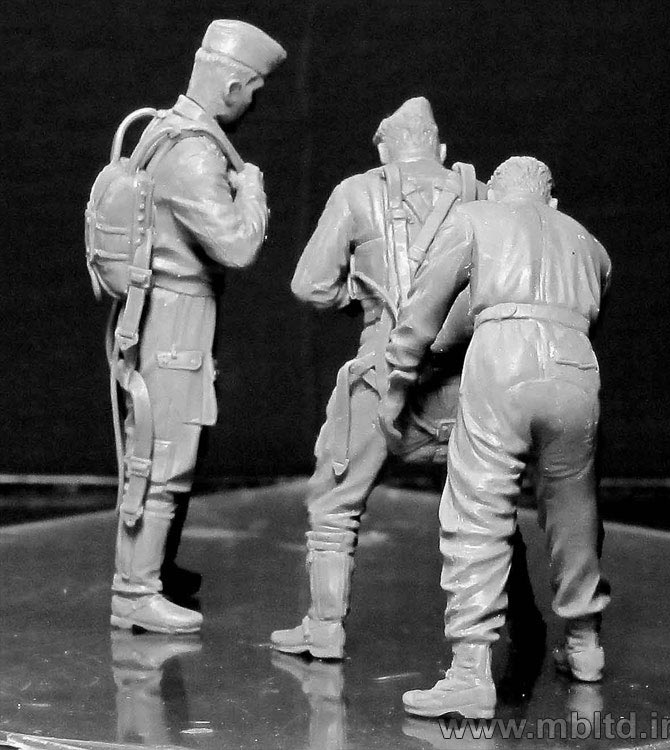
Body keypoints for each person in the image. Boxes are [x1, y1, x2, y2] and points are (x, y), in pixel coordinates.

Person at [381, 156, 612, 718]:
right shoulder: (592, 246)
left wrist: (399, 376)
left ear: (495, 193)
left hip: (502, 358)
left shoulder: (475, 219)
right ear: (550, 200)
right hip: (576, 365)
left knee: (477, 506)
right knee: (574, 507)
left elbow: (426, 305)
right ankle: (585, 644)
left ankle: (470, 671)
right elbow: (593, 310)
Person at [270, 97, 488, 659]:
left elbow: (309, 284)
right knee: (486, 510)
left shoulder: (355, 192)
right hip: (463, 377)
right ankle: (485, 649)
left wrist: (364, 302)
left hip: (380, 370)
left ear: (386, 149)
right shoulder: (480, 195)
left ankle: (325, 629)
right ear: (439, 148)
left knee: (334, 503)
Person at [110, 19, 286, 634]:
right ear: (234, 87)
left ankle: (154, 570)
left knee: (174, 441)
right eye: (254, 91)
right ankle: (135, 592)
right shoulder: (193, 154)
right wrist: (253, 192)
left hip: (170, 311)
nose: (253, 103)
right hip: (175, 315)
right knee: (166, 450)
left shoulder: (164, 129)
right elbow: (238, 246)